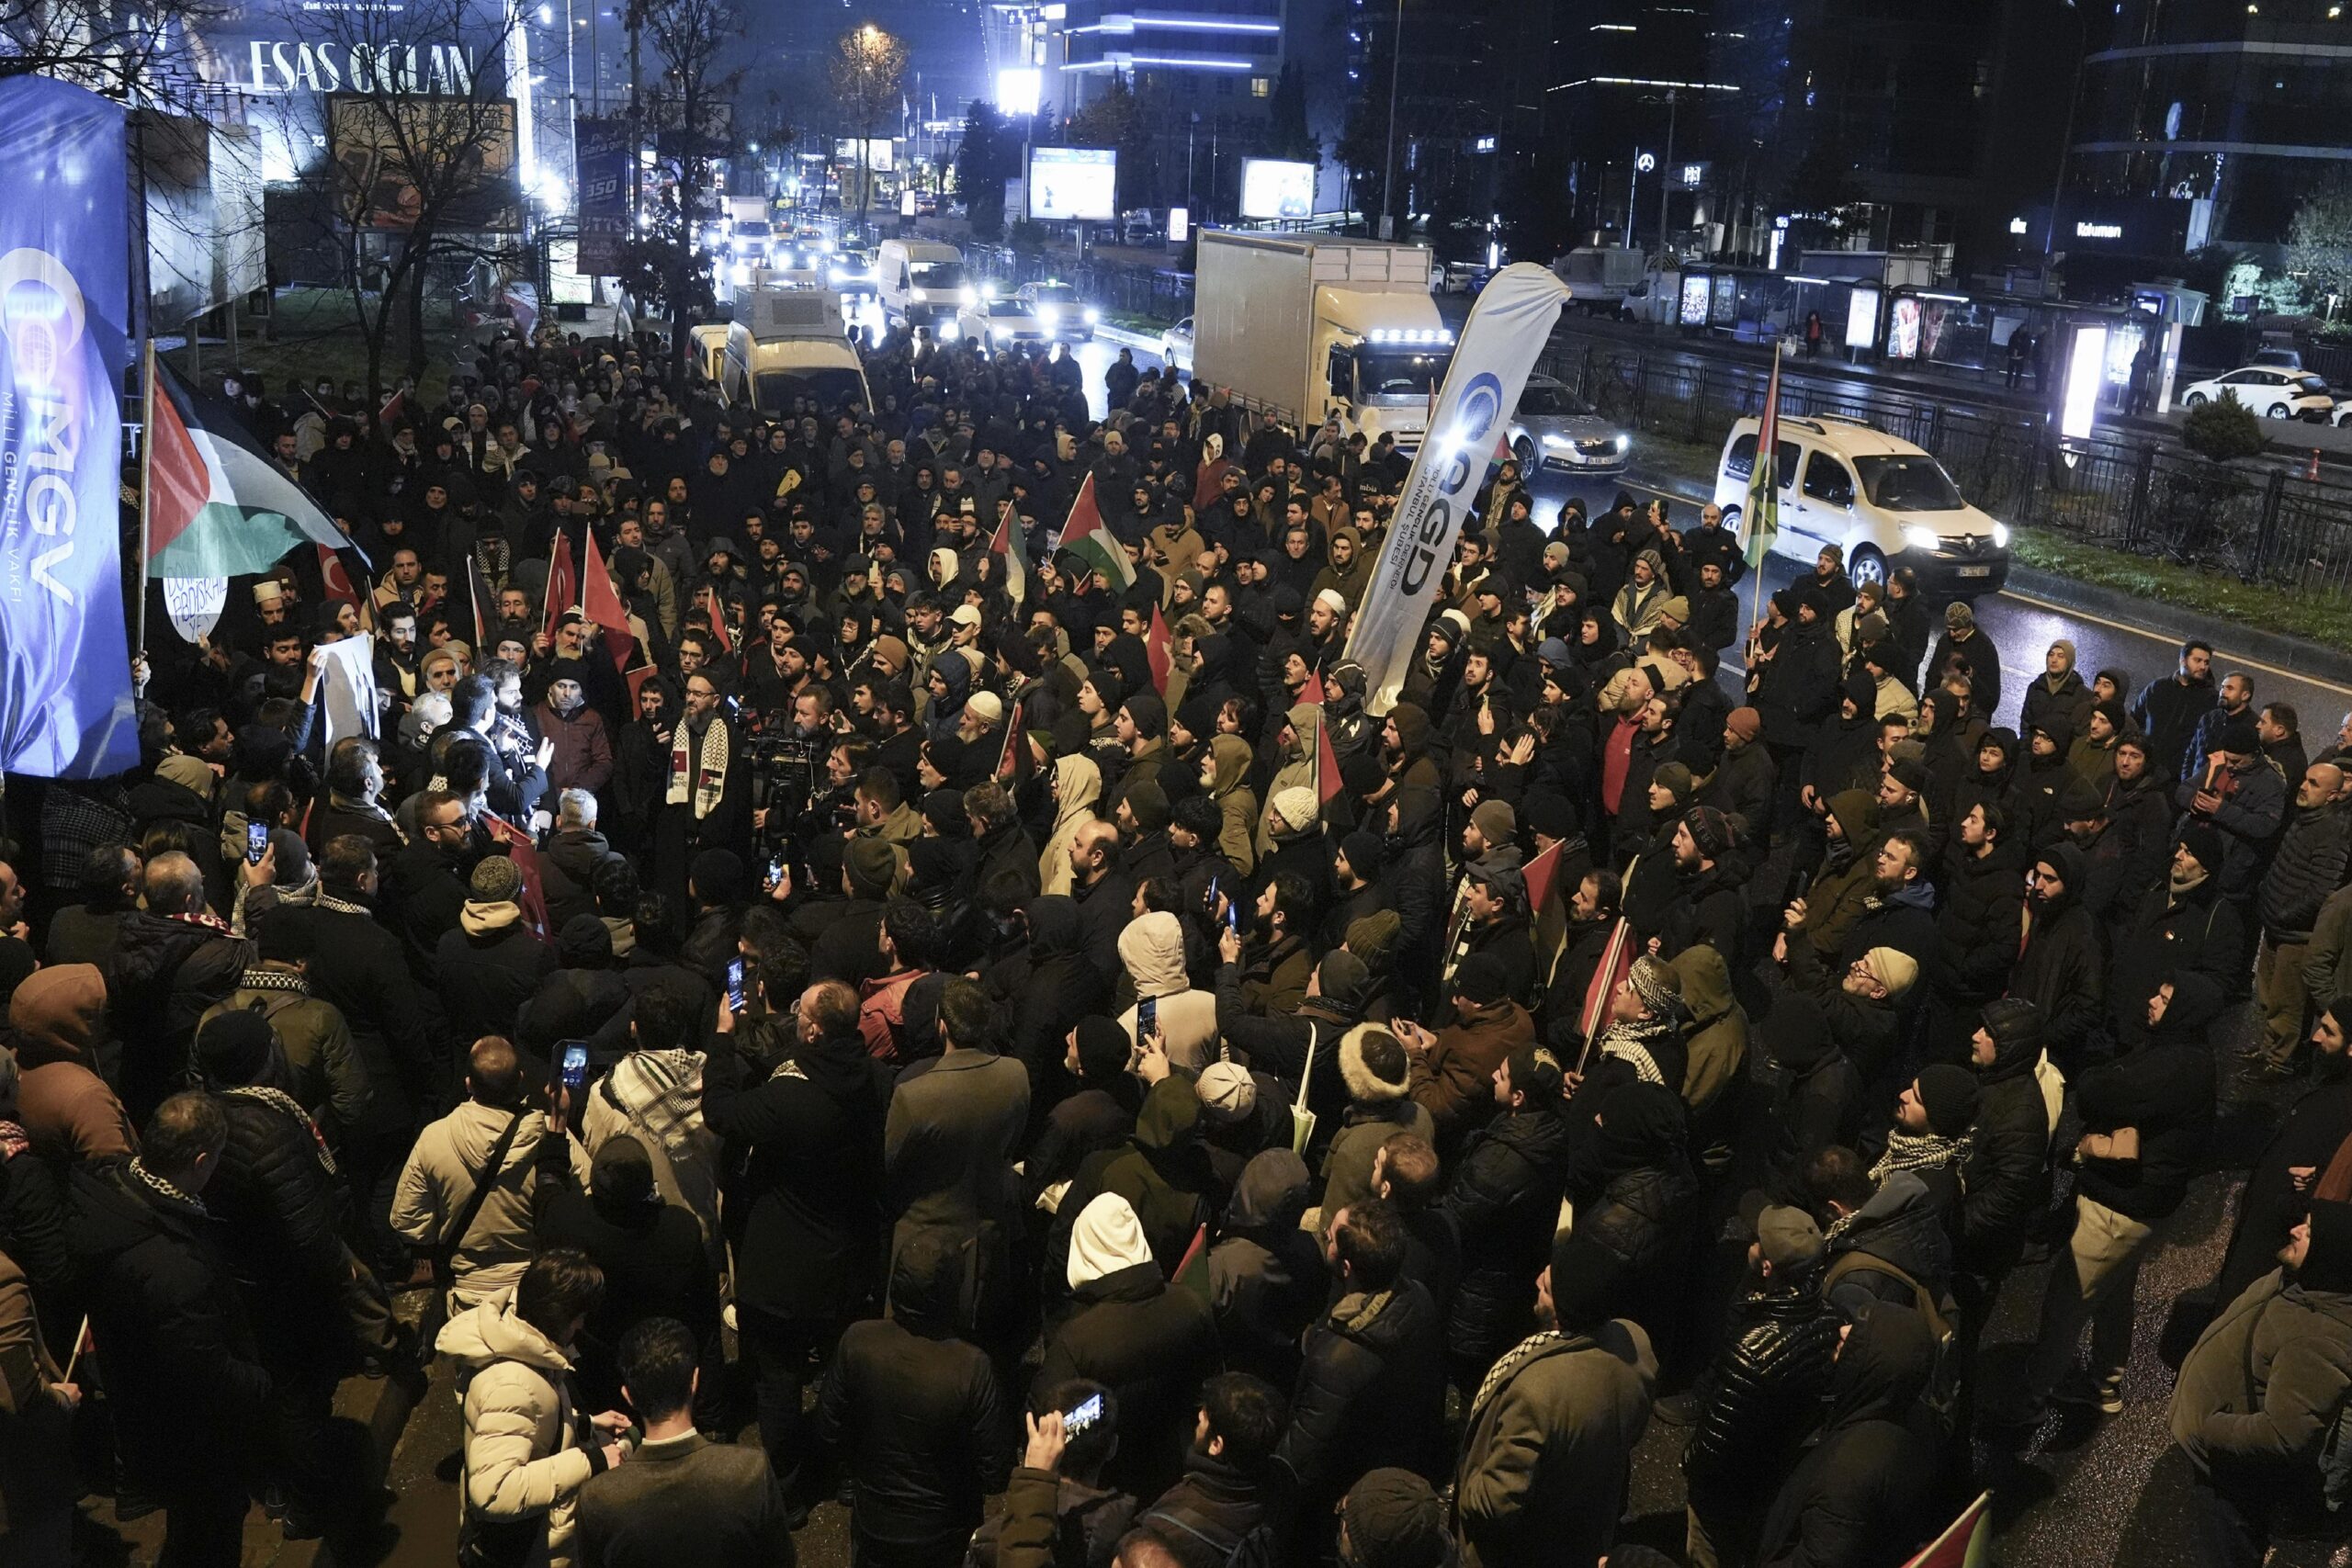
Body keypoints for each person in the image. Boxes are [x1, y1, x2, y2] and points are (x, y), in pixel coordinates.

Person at [68, 1093, 273, 1568]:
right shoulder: (172, 1267)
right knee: (211, 1532)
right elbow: (205, 1369)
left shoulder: (112, 1194)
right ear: (202, 1161)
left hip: (142, 1404)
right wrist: (259, 1385)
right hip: (190, 1433)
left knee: (190, 1526)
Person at [1453, 1235, 1657, 1568]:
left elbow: (1498, 1501)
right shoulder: (1635, 1341)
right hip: (1585, 1523)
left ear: (1563, 1312)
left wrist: (1468, 1488)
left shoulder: (1537, 1392)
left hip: (1526, 1547)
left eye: (1546, 1287)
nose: (1536, 1282)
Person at [814, 1227, 1014, 1568]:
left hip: (873, 1520)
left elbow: (826, 1429)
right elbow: (996, 1471)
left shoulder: (859, 1340)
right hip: (942, 1534)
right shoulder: (971, 1366)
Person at [2171, 1202, 2352, 1568]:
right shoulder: (2303, 1281)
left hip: (2230, 1468)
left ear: (2331, 1256)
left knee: (2228, 1550)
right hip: (2223, 1451)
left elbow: (2285, 1435)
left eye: (2309, 1232)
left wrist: (2209, 1429)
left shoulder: (2319, 1339)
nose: (2297, 1230)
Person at [440, 1246, 631, 1568]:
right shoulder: (512, 1385)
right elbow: (494, 1492)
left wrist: (585, 1424)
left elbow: (530, 1426)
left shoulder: (524, 1347)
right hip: (529, 1552)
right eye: (580, 1316)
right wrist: (593, 1460)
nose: (582, 1326)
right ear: (562, 1316)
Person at [1679, 1206, 1841, 1568]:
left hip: (1729, 1491)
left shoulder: (1752, 1352)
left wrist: (1689, 1463)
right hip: (1775, 1474)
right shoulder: (1829, 1317)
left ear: (1767, 1268)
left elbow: (1714, 1442)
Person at [574, 1317, 797, 1568]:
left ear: (628, 1396)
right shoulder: (750, 1471)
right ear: (694, 1382)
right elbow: (781, 1560)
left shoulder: (598, 1498)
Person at [1749, 1302, 1939, 1568]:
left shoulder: (1847, 1472)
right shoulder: (1908, 1411)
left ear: (1876, 1364)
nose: (1843, 1331)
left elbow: (1817, 1563)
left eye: (1861, 1337)